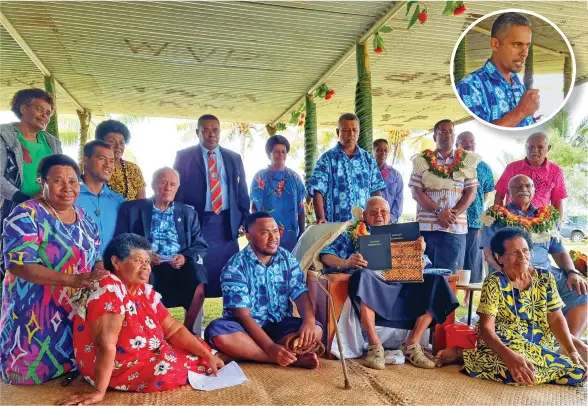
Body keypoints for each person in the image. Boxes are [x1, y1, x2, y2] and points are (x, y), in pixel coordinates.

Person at [61, 234, 224, 405]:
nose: (146, 267)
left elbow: (173, 328)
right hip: (117, 366)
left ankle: (213, 358)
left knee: (200, 352)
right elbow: (106, 345)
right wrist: (99, 392)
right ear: (116, 262)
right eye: (139, 260)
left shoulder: (142, 291)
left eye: (147, 262)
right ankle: (214, 359)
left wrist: (206, 354)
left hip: (142, 355)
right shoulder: (110, 289)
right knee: (170, 369)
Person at [0, 154, 108, 385]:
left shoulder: (85, 218)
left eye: (73, 181)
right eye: (58, 181)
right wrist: (73, 280)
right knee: (27, 380)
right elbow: (19, 265)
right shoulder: (26, 214)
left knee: (75, 371)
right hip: (34, 312)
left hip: (75, 308)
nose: (67, 187)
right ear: (42, 182)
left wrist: (101, 274)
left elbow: (96, 256)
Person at [319, 197, 459, 370]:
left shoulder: (402, 233)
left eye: (383, 212)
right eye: (373, 212)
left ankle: (412, 343)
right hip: (374, 285)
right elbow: (325, 255)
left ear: (390, 215)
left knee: (437, 282)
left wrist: (419, 256)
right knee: (363, 276)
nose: (379, 216)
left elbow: (425, 262)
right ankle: (374, 346)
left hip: (403, 284)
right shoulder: (352, 233)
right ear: (364, 215)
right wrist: (346, 262)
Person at [435, 228, 587, 386]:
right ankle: (476, 357)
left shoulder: (545, 278)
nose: (522, 257)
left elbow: (556, 319)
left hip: (538, 347)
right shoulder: (494, 282)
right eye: (514, 252)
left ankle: (470, 357)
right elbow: (487, 329)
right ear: (499, 257)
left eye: (525, 250)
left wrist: (572, 351)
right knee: (513, 370)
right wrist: (509, 357)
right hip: (504, 344)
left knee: (578, 373)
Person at [204, 212, 323, 369]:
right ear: (249, 236)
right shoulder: (235, 266)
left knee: (315, 330)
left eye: (275, 231)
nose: (273, 238)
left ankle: (243, 354)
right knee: (217, 332)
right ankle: (277, 358)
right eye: (265, 233)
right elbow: (243, 315)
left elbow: (299, 291)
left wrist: (308, 320)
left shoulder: (287, 258)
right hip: (245, 329)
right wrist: (271, 349)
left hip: (280, 326)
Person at [480, 175, 587, 338]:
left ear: (533, 190)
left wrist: (572, 272)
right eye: (517, 186)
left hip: (546, 275)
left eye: (527, 186)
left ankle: (568, 345)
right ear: (509, 192)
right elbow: (488, 254)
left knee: (581, 290)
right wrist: (507, 273)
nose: (523, 189)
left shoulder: (546, 217)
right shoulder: (494, 215)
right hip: (511, 273)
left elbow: (559, 251)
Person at [114, 168, 208, 333]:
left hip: (178, 266)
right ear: (153, 185)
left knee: (198, 275)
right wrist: (145, 256)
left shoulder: (188, 212)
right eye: (163, 182)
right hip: (147, 265)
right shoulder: (132, 209)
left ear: (178, 188)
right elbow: (122, 241)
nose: (167, 187)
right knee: (142, 272)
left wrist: (185, 257)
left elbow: (200, 245)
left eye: (172, 184)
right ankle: (151, 333)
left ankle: (188, 332)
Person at [174, 114, 250, 298]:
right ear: (197, 132)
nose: (211, 134)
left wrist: (244, 219)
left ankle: (230, 321)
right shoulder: (184, 156)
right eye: (205, 130)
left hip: (226, 224)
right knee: (197, 274)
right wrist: (180, 221)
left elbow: (241, 190)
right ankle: (194, 324)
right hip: (198, 222)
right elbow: (177, 189)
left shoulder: (233, 157)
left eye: (215, 130)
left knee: (230, 273)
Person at [0, 89, 62, 274]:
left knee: (39, 262)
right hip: (10, 209)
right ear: (23, 108)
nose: (45, 115)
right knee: (10, 263)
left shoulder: (52, 142)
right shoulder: (4, 136)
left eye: (48, 113)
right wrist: (24, 198)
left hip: (45, 212)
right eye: (39, 109)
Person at [409, 119, 478, 273]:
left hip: (455, 228)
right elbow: (416, 192)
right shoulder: (421, 160)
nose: (447, 135)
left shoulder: (467, 160)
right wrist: (439, 212)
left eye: (451, 131)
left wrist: (452, 215)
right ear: (434, 137)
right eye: (442, 131)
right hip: (427, 229)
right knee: (424, 275)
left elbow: (471, 192)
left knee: (451, 277)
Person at [456, 12, 538, 127]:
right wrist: (521, 111)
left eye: (527, 45)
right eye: (517, 44)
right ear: (495, 44)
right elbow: (483, 134)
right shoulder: (470, 86)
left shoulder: (518, 85)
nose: (525, 53)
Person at [307, 113, 385, 223]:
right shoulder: (327, 159)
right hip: (335, 228)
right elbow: (317, 190)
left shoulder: (368, 160)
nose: (351, 134)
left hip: (364, 228)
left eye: (354, 130)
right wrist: (320, 217)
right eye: (346, 130)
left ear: (359, 131)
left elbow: (376, 190)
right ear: (338, 132)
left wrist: (380, 215)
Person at [250, 135, 306, 251]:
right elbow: (254, 208)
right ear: (269, 154)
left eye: (283, 152)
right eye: (276, 152)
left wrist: (302, 232)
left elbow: (301, 208)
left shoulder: (294, 178)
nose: (280, 155)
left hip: (291, 238)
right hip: (266, 237)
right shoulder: (260, 177)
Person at [456, 132, 494, 299]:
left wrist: (475, 206)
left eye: (471, 141)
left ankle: (468, 298)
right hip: (454, 220)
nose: (468, 145)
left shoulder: (484, 167)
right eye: (464, 142)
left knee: (472, 259)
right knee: (456, 259)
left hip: (474, 221)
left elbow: (486, 194)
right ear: (457, 145)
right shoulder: (452, 164)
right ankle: (452, 294)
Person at [494, 132, 566, 218]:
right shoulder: (512, 168)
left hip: (540, 224)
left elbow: (557, 202)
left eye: (540, 147)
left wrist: (558, 225)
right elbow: (499, 195)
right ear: (525, 148)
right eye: (531, 147)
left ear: (548, 148)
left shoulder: (556, 171)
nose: (535, 150)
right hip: (512, 222)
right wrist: (498, 219)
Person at [76, 140, 124, 255]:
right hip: (77, 269)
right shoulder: (70, 196)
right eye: (102, 159)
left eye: (112, 161)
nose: (108, 165)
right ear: (86, 160)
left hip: (110, 269)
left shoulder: (119, 201)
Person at [95, 119, 146, 201]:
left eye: (121, 142)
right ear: (100, 143)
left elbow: (141, 203)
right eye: (112, 141)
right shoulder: (90, 166)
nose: (118, 146)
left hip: (130, 213)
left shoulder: (133, 169)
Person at [373, 138, 403, 223]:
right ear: (373, 151)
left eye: (385, 150)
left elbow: (399, 199)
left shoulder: (396, 175)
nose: (383, 153)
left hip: (389, 222)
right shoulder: (368, 173)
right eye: (379, 150)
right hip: (369, 220)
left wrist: (390, 219)